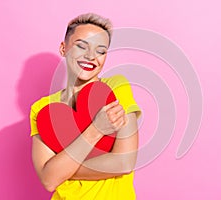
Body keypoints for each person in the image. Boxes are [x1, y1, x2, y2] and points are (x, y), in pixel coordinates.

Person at [30, 13, 141, 199]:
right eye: (81, 46)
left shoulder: (115, 88)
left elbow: (124, 163)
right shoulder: (42, 109)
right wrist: (96, 129)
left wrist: (60, 169)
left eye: (101, 51)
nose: (91, 56)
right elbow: (49, 182)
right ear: (63, 48)